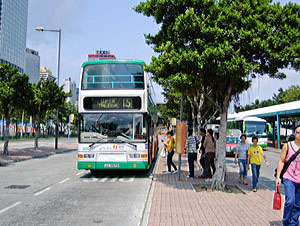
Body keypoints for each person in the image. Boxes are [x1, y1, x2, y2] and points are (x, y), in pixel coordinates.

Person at [276, 125, 300, 226]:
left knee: (298, 204)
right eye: (298, 132)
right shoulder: (287, 146)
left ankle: (293, 222)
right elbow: (281, 161)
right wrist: (278, 177)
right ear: (294, 133)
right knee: (290, 201)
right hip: (288, 177)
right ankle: (286, 221)